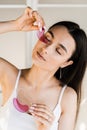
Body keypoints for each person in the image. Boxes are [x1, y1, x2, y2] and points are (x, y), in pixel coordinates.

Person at [0, 7, 87, 130]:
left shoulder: (67, 97)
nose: (46, 49)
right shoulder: (10, 76)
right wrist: (14, 25)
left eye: (58, 50)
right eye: (47, 39)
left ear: (66, 63)